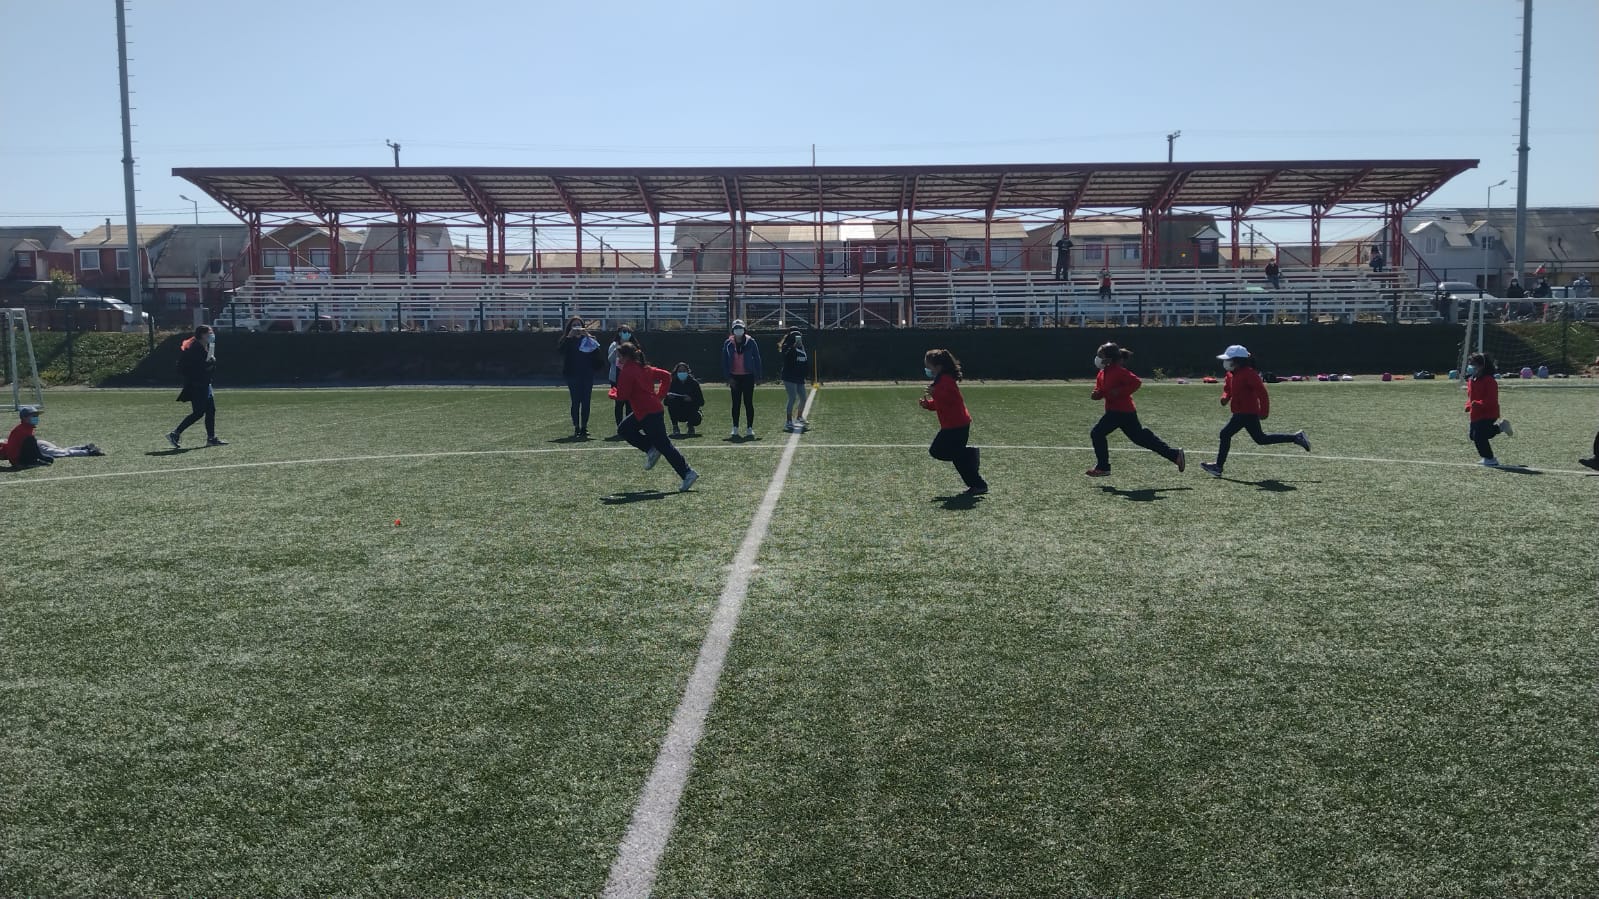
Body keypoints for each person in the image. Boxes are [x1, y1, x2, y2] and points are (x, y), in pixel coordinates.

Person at [1198, 345, 1311, 478]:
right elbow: (1228, 389)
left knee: (1225, 434)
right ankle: (1296, 437)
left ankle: (1218, 467)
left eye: (1228, 359)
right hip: (1239, 412)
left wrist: (1264, 412)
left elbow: (1262, 393)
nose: (1225, 362)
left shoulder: (1249, 374)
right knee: (1260, 439)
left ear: (1238, 361)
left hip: (1247, 412)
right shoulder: (1230, 374)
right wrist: (1225, 397)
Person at [1085, 342, 1185, 477]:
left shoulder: (1118, 371)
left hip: (1120, 411)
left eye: (1100, 355)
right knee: (1140, 438)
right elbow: (1100, 390)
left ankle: (1103, 467)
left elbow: (1136, 382)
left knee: (1097, 433)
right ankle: (1174, 455)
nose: (1097, 358)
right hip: (1121, 412)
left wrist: (1119, 391)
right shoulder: (1102, 373)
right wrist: (1096, 394)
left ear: (1109, 359)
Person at [613, 342, 697, 492]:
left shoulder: (628, 371)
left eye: (619, 356)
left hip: (648, 412)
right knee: (624, 429)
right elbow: (666, 376)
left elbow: (622, 396)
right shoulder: (644, 368)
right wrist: (660, 395)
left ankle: (687, 473)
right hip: (647, 410)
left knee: (664, 445)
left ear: (626, 357)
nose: (618, 359)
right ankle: (651, 448)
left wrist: (613, 393)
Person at [919, 348, 987, 495]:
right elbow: (942, 403)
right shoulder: (940, 380)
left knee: (939, 451)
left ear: (938, 367)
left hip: (956, 425)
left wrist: (935, 393)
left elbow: (952, 399)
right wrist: (928, 404)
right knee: (955, 455)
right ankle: (976, 480)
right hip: (953, 425)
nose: (927, 369)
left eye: (928, 366)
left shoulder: (946, 380)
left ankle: (975, 472)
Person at [166, 324, 226, 449]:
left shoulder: (205, 347)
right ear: (202, 335)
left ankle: (211, 438)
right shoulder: (195, 349)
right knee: (198, 412)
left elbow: (207, 366)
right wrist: (207, 366)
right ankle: (175, 433)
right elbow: (190, 367)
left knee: (211, 411)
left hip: (205, 384)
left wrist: (210, 364)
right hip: (197, 385)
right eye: (209, 332)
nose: (211, 335)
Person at [1463, 352, 1514, 467]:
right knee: (1473, 436)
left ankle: (1490, 458)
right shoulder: (1471, 380)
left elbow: (1491, 399)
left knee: (1479, 436)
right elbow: (1471, 397)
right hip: (1475, 413)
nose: (1471, 367)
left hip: (1489, 413)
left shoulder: (1489, 380)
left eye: (1473, 364)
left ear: (1482, 366)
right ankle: (1500, 427)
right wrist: (1468, 405)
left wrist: (1479, 404)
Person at [556, 316, 602, 438]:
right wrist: (569, 337)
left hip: (587, 374)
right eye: (574, 325)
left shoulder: (588, 339)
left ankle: (584, 427)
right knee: (575, 401)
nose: (576, 327)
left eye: (579, 325)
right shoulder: (566, 339)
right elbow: (561, 351)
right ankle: (576, 426)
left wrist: (588, 336)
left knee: (586, 401)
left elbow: (597, 352)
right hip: (572, 374)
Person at [721, 319, 762, 439]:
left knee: (748, 402)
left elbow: (757, 358)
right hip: (734, 377)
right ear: (733, 330)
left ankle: (749, 428)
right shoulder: (728, 343)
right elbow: (724, 361)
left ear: (744, 329)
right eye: (736, 328)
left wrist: (758, 376)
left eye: (740, 328)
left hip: (748, 376)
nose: (738, 330)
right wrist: (728, 378)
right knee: (736, 403)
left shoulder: (751, 342)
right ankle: (735, 427)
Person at [778, 327, 809, 432]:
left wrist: (805, 374)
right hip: (789, 376)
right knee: (792, 397)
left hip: (799, 377)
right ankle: (788, 421)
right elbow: (786, 357)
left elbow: (804, 360)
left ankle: (799, 417)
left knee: (803, 398)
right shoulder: (786, 346)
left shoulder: (801, 347)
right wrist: (793, 347)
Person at [664, 362, 705, 437]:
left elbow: (701, 402)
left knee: (696, 418)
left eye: (684, 371)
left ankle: (690, 425)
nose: (682, 373)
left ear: (688, 372)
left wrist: (691, 399)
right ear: (676, 372)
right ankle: (675, 426)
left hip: (690, 410)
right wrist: (669, 398)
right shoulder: (672, 383)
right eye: (680, 371)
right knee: (672, 403)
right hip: (677, 410)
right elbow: (665, 402)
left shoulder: (694, 383)